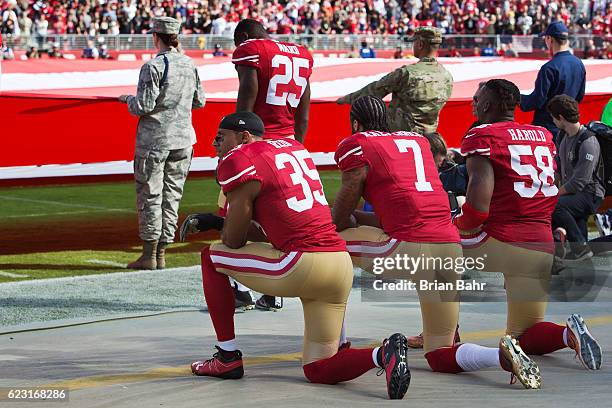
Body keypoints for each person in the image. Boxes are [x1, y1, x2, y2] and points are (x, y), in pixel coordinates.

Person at [190, 112, 411, 400]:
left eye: (221, 137)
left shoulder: (241, 158)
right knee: (319, 368)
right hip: (338, 264)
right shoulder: (294, 149)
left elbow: (233, 241)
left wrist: (219, 222)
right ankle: (383, 355)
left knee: (211, 257)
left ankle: (227, 356)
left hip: (301, 264)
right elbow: (275, 228)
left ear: (243, 137)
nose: (215, 143)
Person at [333, 95, 541, 389]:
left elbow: (340, 217)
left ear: (356, 124)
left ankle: (335, 343)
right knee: (440, 354)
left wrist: (342, 220)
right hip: (448, 244)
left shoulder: (358, 144)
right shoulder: (417, 141)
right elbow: (405, 210)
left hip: (407, 246)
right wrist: (359, 218)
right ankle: (500, 357)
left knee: (326, 245)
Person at [454, 79, 601, 375]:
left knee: (431, 250)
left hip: (501, 240)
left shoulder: (483, 135)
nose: (473, 102)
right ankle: (567, 335)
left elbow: (476, 210)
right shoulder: (542, 134)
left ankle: (440, 333)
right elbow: (553, 186)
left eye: (477, 97)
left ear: (488, 104)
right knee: (523, 335)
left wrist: (452, 224)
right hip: (540, 242)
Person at [180, 18, 314, 310]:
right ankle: (273, 291)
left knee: (233, 213)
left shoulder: (251, 49)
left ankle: (239, 291)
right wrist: (296, 147)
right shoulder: (301, 53)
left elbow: (247, 98)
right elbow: (303, 113)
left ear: (241, 38)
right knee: (273, 215)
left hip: (255, 143)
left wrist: (236, 151)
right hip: (288, 145)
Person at [118, 16, 205, 270]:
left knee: (150, 195)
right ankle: (162, 254)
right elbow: (200, 101)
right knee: (172, 196)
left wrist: (126, 100)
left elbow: (143, 105)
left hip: (155, 140)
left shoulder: (153, 67)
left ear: (156, 36)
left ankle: (149, 255)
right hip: (183, 140)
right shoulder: (190, 65)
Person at [336, 27, 453, 135]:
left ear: (420, 44)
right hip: (429, 138)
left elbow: (374, 91)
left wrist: (345, 99)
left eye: (414, 42)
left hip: (400, 138)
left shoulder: (407, 73)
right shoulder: (447, 77)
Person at [547, 95, 605, 261]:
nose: (552, 121)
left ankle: (580, 248)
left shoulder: (588, 141)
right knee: (565, 209)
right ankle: (577, 249)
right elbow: (558, 165)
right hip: (574, 193)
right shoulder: (562, 136)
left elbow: (580, 182)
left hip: (591, 194)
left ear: (561, 117)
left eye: (553, 117)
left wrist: (555, 194)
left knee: (555, 205)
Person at [520, 21, 586, 144]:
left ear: (550, 39)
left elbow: (537, 100)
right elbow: (579, 97)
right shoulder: (579, 64)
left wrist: (517, 98)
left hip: (547, 129)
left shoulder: (549, 68)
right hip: (568, 129)